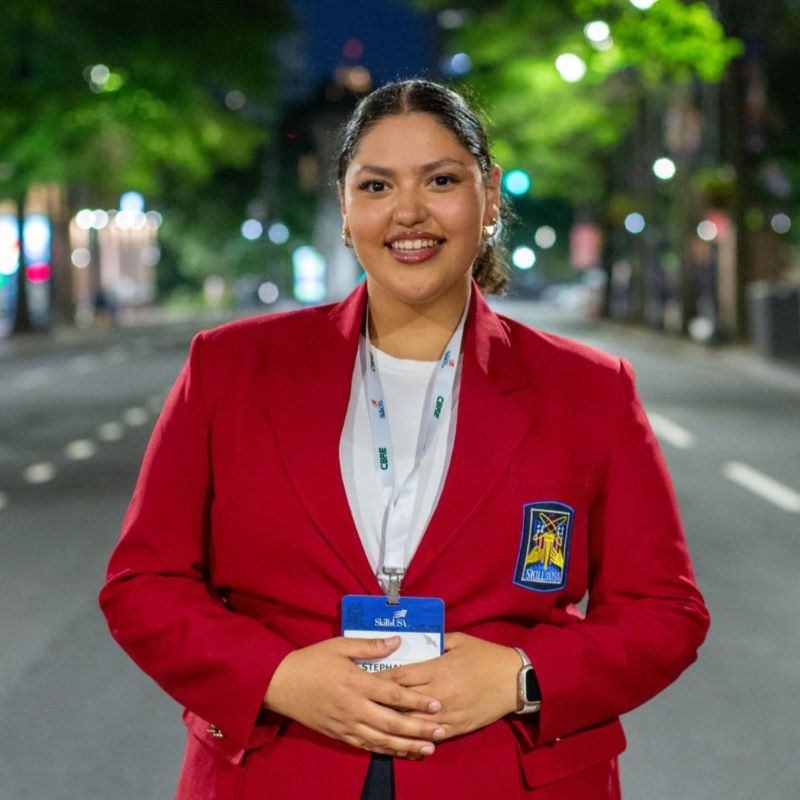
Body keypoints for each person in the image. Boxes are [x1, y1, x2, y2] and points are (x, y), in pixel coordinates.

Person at [99, 79, 709, 800]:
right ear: (347, 210)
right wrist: (277, 676)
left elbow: (663, 612)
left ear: (487, 203)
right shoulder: (229, 368)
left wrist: (521, 675)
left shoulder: (590, 389)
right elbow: (144, 584)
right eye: (377, 185)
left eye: (442, 180)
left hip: (508, 772)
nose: (409, 212)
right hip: (278, 765)